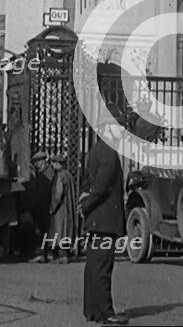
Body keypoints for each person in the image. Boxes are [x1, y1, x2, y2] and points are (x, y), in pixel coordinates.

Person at [79, 106, 129, 325]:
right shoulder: (109, 151)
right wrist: (88, 204)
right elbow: (102, 185)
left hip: (96, 220)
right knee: (103, 269)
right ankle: (106, 313)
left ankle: (92, 310)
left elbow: (89, 182)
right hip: (105, 219)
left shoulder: (96, 149)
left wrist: (85, 204)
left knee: (93, 266)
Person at [26, 151, 54, 263]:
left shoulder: (46, 174)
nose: (36, 164)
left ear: (43, 161)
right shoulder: (46, 172)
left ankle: (43, 253)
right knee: (44, 230)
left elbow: (43, 192)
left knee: (42, 231)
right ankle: (46, 253)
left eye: (38, 162)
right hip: (43, 206)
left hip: (44, 206)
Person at [48, 153, 76, 264]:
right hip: (67, 208)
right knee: (65, 231)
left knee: (59, 231)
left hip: (60, 209)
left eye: (54, 163)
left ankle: (61, 255)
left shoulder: (59, 176)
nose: (52, 166)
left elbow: (57, 194)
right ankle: (65, 254)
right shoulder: (68, 175)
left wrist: (52, 207)